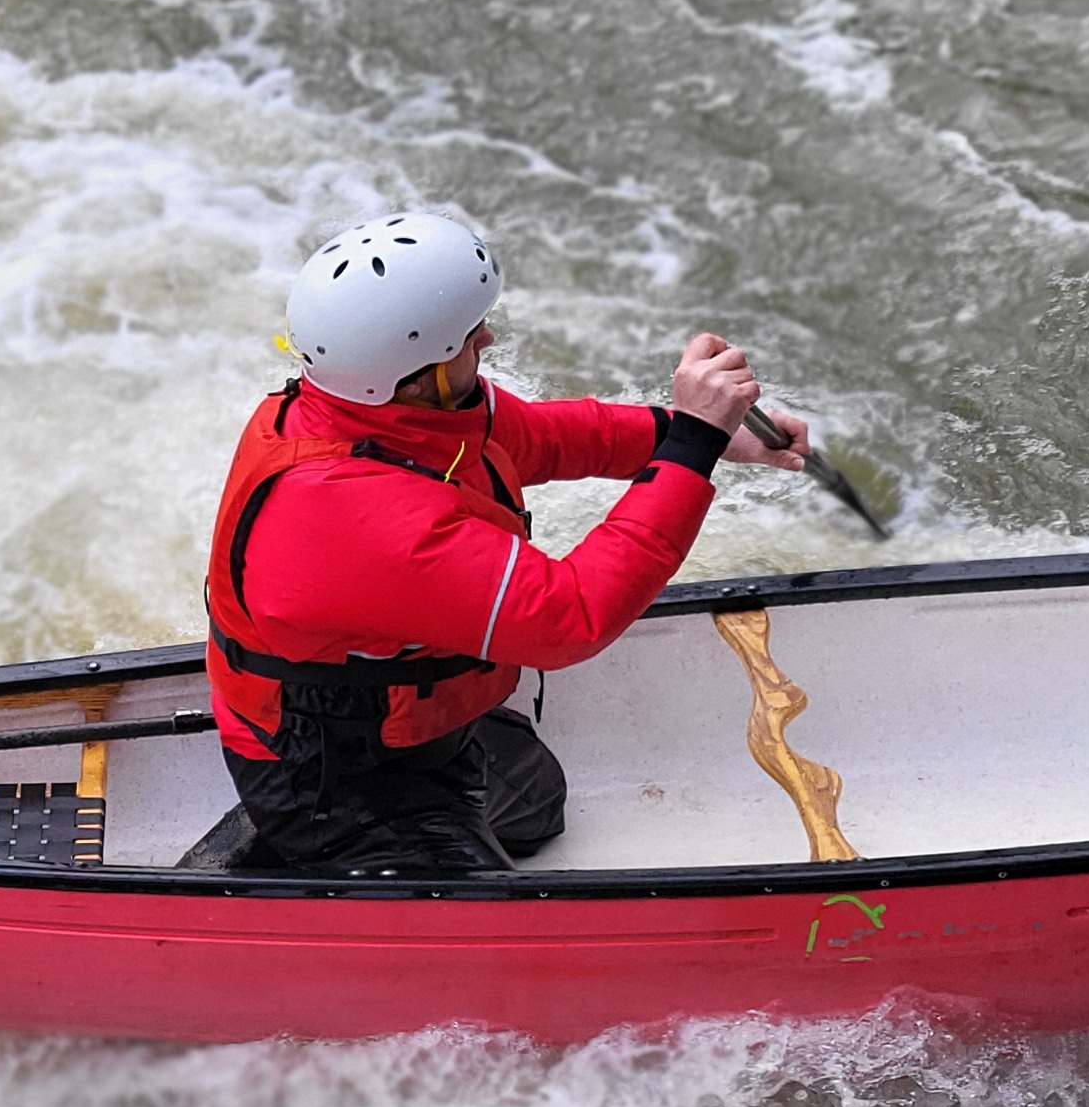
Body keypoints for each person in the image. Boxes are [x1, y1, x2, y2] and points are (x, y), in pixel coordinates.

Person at [196, 211, 819, 874]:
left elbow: (545, 438)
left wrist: (700, 435)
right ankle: (303, 860)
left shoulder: (387, 411)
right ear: (418, 375)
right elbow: (570, 617)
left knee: (539, 807)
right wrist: (691, 446)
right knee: (492, 921)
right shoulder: (350, 514)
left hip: (415, 730)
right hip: (334, 780)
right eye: (469, 338)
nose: (487, 337)